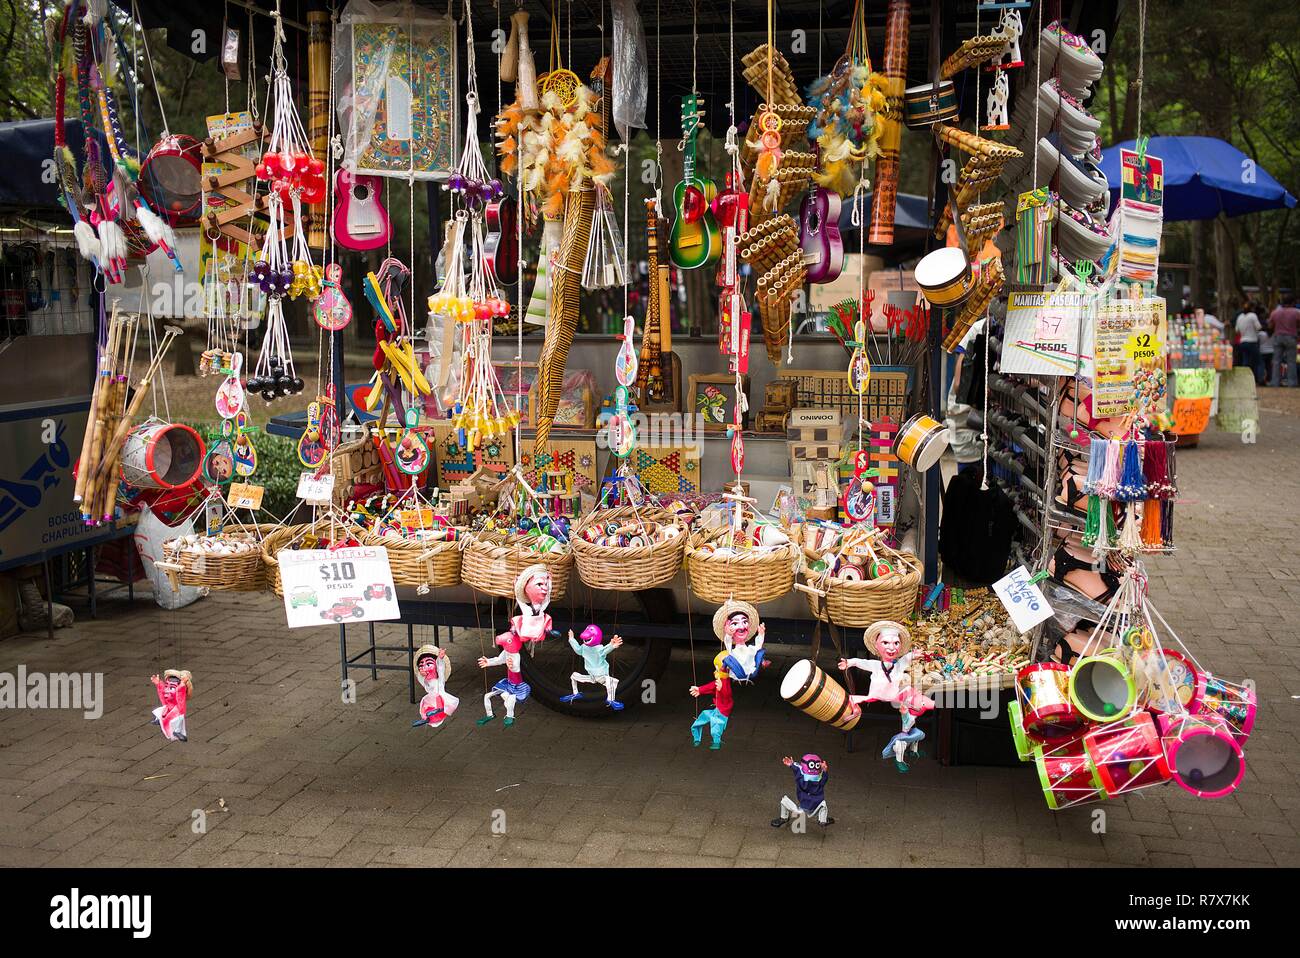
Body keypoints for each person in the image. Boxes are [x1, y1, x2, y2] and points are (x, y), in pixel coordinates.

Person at [1269, 294, 1300, 387]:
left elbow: (1270, 325)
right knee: (1291, 361)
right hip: (1291, 336)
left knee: (1276, 361)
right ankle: (1292, 382)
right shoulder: (1296, 312)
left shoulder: (1275, 312)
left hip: (1278, 336)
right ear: (1293, 302)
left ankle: (1275, 382)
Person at [1234, 302, 1262, 382]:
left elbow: (1237, 330)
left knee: (1245, 361)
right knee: (1258, 361)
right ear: (1252, 308)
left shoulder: (1239, 317)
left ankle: (1244, 379)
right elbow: (1258, 327)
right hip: (1252, 341)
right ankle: (1260, 379)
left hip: (1243, 341)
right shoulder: (1253, 316)